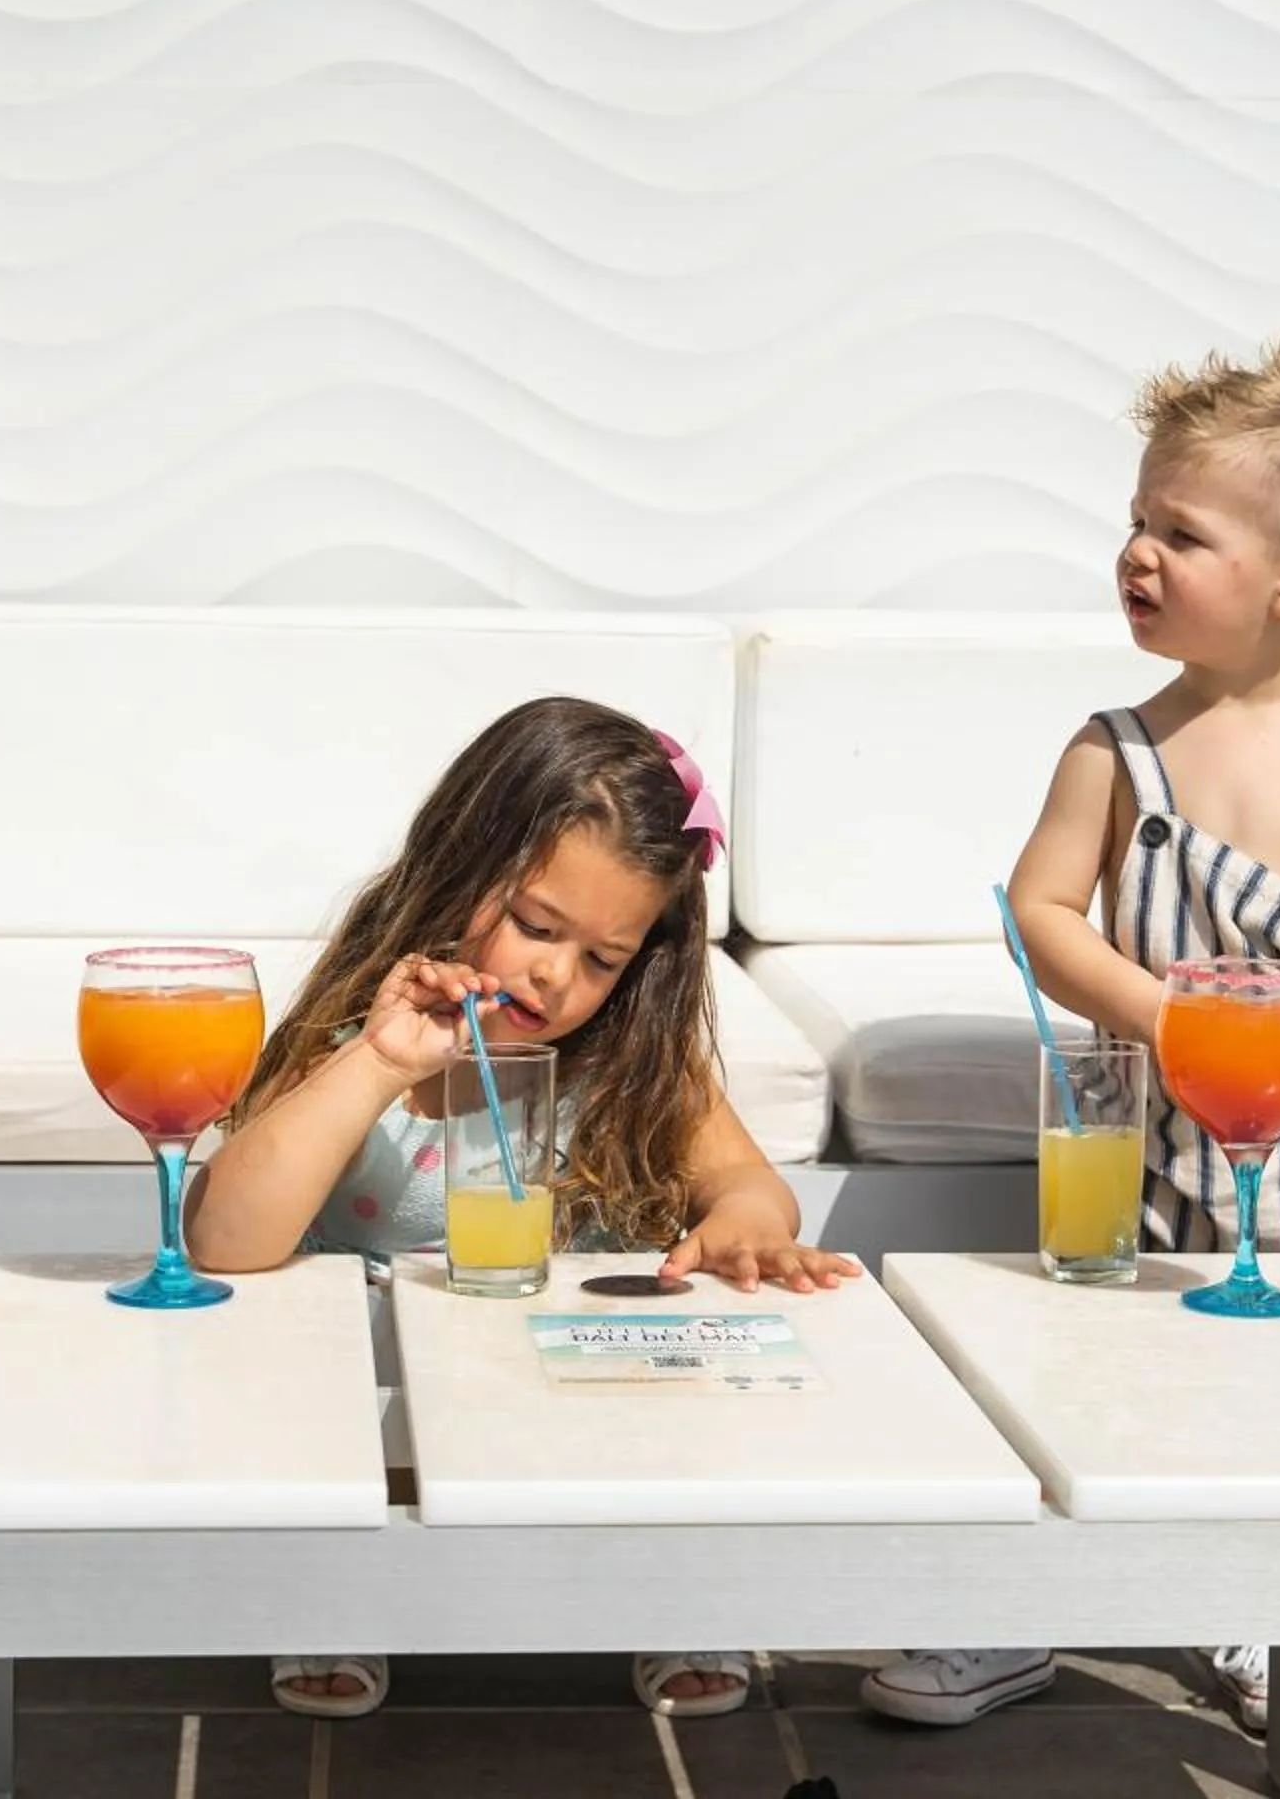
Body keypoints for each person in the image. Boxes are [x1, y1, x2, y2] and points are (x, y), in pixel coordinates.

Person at [863, 343, 1280, 1736]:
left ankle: (1265, 1613)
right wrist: (1162, 1015)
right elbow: (1041, 912)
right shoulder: (1115, 749)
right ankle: (1020, 1614)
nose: (1137, 554)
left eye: (1181, 534)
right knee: (1093, 1371)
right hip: (1142, 1140)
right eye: (1137, 522)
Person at [186, 694, 861, 1721]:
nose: (556, 973)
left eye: (604, 957)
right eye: (537, 925)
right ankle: (338, 1579)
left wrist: (748, 1220)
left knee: (691, 1348)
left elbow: (746, 1181)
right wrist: (375, 1064)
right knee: (306, 1369)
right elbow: (222, 1240)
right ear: (460, 865)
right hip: (385, 1409)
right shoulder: (367, 1044)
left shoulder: (631, 1067)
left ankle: (670, 1584)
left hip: (576, 1391)